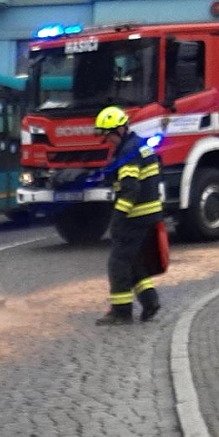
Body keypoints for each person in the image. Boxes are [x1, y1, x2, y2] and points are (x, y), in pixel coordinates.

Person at [94, 106, 162, 325]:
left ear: (120, 129)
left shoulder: (128, 151)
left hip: (135, 216)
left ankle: (121, 312)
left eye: (109, 136)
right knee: (132, 260)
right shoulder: (136, 146)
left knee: (118, 262)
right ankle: (150, 301)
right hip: (147, 214)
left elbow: (130, 189)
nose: (108, 142)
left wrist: (118, 218)